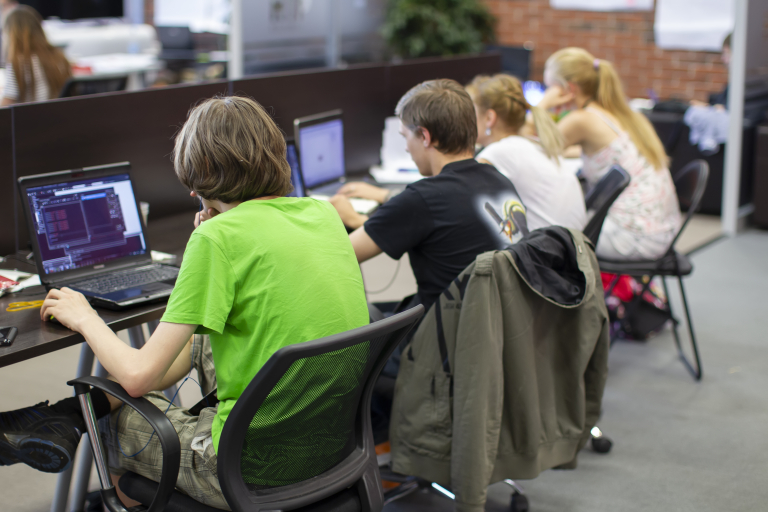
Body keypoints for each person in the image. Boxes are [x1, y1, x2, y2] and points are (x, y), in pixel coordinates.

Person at [0, 96, 369, 509]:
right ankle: (55, 420)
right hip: (332, 446)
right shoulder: (321, 214)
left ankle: (67, 421)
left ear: (204, 177)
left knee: (113, 424)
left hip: (247, 468)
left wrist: (86, 318)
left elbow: (139, 379)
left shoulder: (216, 239)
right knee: (201, 338)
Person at [330, 78, 529, 315]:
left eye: (405, 136)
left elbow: (337, 256)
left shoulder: (423, 199)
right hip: (502, 328)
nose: (406, 147)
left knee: (365, 316)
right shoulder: (499, 180)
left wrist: (350, 218)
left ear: (424, 136)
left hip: (443, 340)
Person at [538, 47, 681, 260]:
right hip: (661, 230)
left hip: (634, 237)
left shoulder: (582, 119)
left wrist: (542, 106)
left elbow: (536, 150)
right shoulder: (617, 113)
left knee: (543, 231)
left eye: (551, 88)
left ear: (568, 89)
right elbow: (593, 151)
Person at [466, 73, 587, 231]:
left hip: (549, 250)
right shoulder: (529, 143)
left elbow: (465, 199)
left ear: (489, 118)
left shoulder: (498, 152)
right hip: (573, 245)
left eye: (472, 113)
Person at [1, 5, 71, 106]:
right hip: (53, 116)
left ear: (11, 34)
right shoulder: (58, 55)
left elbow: (5, 107)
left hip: (28, 119)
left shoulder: (17, 63)